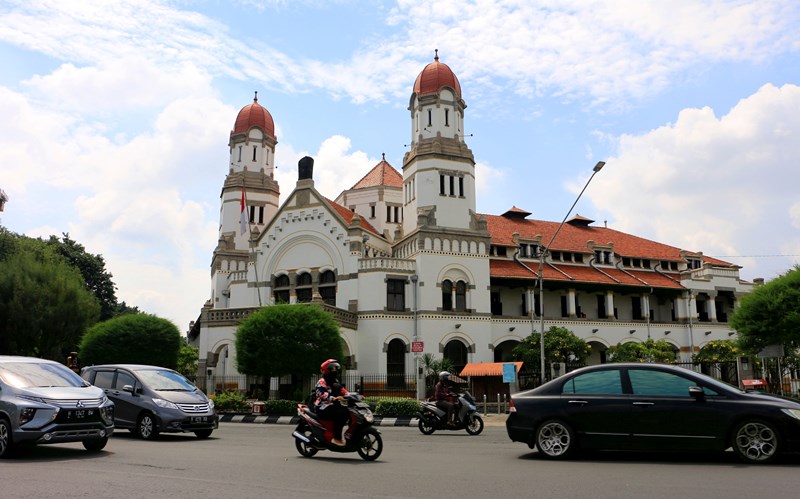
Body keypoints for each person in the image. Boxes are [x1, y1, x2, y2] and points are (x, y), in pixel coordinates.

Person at [315, 358, 350, 446]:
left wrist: (354, 396)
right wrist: (333, 398)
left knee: (347, 412)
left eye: (335, 369)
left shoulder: (335, 381)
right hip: (322, 406)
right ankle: (336, 438)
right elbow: (320, 393)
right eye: (333, 369)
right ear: (327, 370)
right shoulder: (322, 381)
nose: (335, 371)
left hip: (333, 405)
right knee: (341, 413)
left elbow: (343, 391)